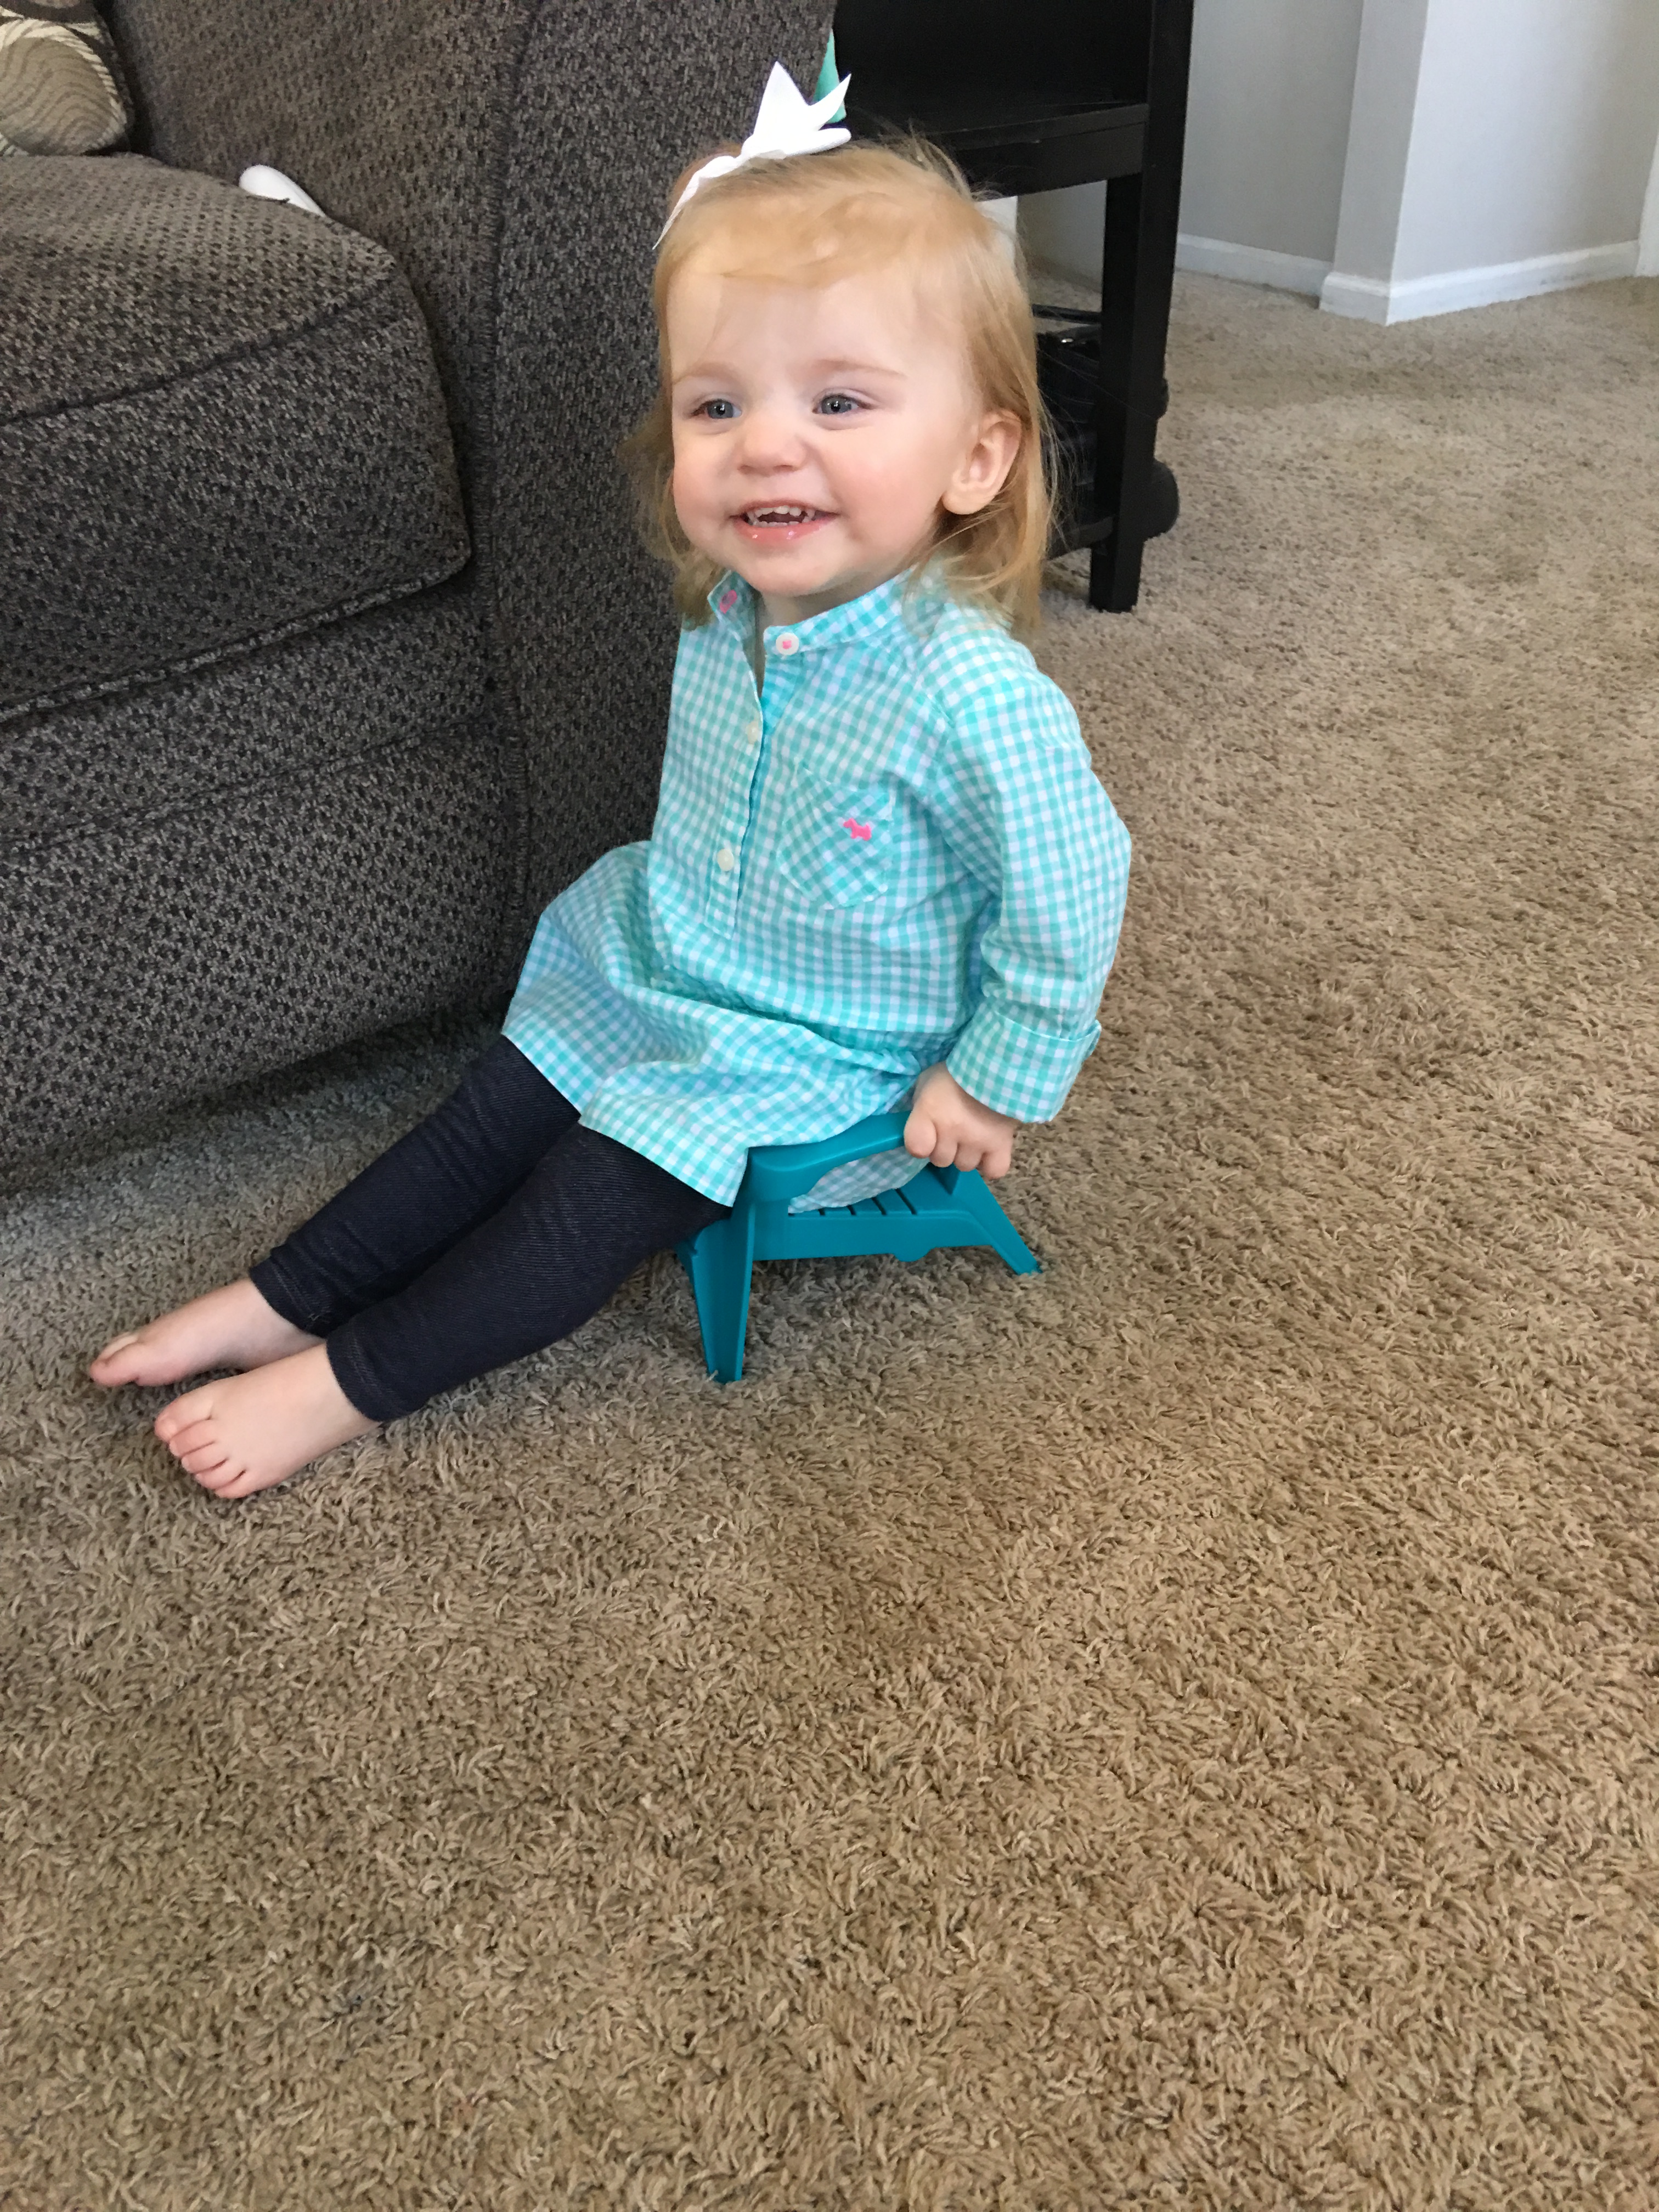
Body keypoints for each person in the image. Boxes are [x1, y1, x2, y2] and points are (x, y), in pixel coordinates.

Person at [89, 68, 1132, 1499]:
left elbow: (1075, 886)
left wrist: (992, 1079)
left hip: (831, 1050)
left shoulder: (972, 694)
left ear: (977, 456)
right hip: (672, 951)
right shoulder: (732, 610)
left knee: (584, 1197)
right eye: (718, 403)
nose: (766, 443)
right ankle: (290, 1292)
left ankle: (348, 1384)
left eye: (839, 400)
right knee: (493, 1111)